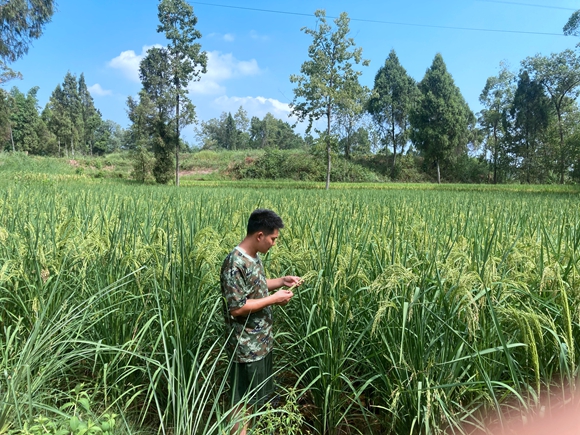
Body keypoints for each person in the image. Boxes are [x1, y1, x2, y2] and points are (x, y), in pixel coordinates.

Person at [220, 208, 301, 435]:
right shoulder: (234, 263)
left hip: (261, 343)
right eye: (272, 239)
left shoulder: (253, 258)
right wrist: (273, 300)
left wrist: (281, 281)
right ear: (259, 236)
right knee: (242, 401)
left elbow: (257, 285)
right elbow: (237, 308)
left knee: (254, 399)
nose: (274, 244)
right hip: (246, 346)